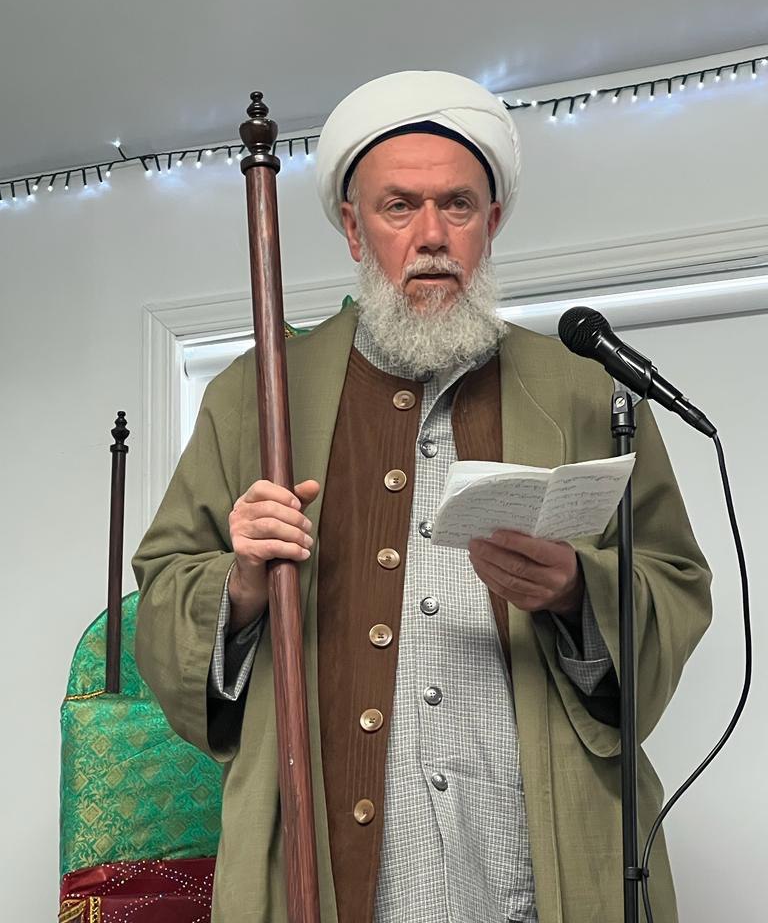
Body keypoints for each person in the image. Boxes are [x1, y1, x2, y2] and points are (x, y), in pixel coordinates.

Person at [132, 70, 712, 923]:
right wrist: (242, 586)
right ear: (353, 228)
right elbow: (162, 598)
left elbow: (674, 582)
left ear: (493, 221)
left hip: (539, 871)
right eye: (399, 207)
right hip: (332, 875)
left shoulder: (588, 388)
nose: (432, 235)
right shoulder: (256, 398)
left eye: (458, 206)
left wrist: (574, 593)